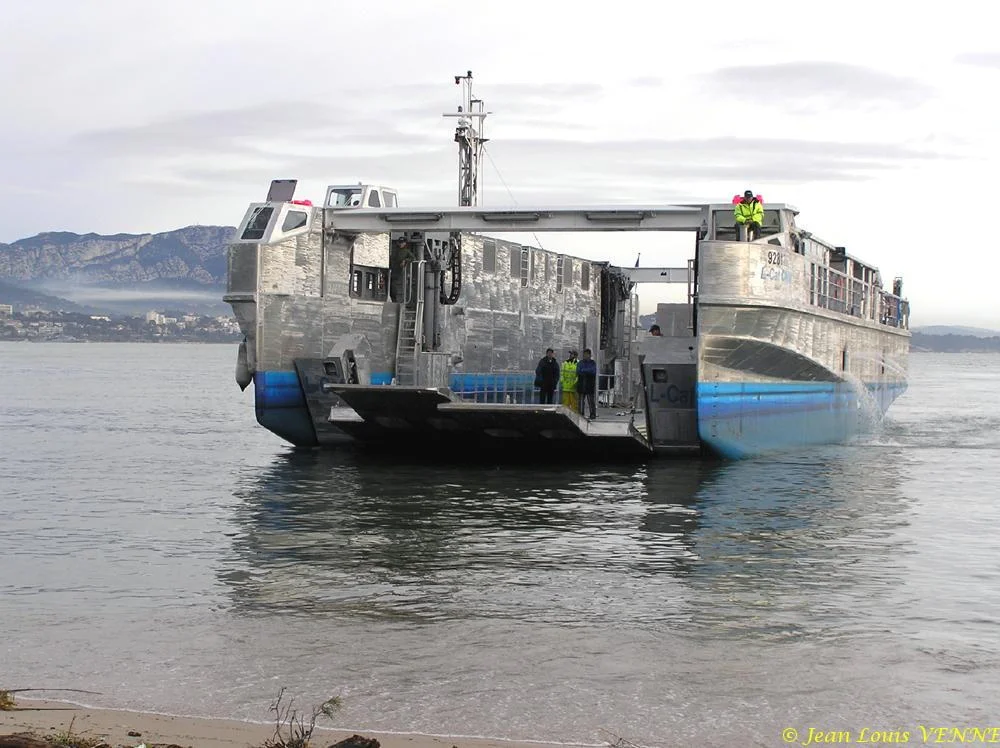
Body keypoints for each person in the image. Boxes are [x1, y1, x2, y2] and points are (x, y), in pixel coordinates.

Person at [576, 348, 598, 419]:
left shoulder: (592, 363)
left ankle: (592, 414)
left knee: (591, 401)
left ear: (589, 355)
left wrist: (584, 370)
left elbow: (593, 371)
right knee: (581, 401)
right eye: (584, 354)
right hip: (581, 384)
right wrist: (587, 371)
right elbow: (578, 371)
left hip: (589, 385)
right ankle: (580, 413)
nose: (585, 355)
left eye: (586, 354)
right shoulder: (580, 363)